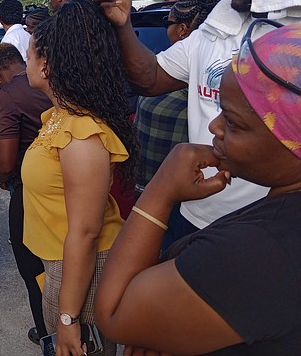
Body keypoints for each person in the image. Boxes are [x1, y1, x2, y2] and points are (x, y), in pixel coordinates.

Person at [95, 0, 301, 241]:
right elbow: (150, 77)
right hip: (194, 212)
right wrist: (123, 22)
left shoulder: (295, 43)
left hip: (268, 228)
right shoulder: (217, 27)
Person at [96, 23, 301, 355]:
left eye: (233, 122)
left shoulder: (261, 252)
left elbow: (115, 311)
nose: (214, 126)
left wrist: (161, 189)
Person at [22, 0, 137, 356]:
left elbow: (86, 233)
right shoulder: (56, 118)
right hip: (60, 259)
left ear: (46, 66)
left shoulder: (81, 133)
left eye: (29, 55)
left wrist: (69, 319)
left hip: (81, 266)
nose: (25, 61)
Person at [134, 0, 225, 241]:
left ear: (183, 29)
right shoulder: (167, 66)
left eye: (169, 22)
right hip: (154, 187)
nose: (167, 28)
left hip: (184, 195)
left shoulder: (195, 78)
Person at [0, 42, 52, 346]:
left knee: (33, 268)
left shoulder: (7, 95)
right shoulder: (54, 81)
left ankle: (47, 333)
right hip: (67, 182)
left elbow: (5, 160)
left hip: (30, 189)